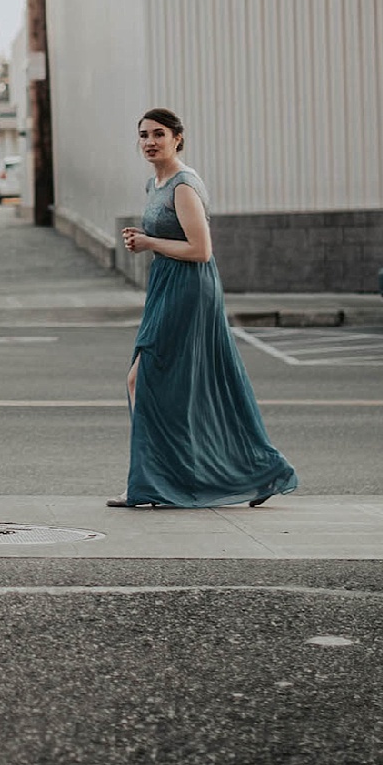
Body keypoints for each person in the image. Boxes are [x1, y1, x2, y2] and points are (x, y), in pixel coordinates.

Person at [113, 108, 299, 509]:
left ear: (177, 138)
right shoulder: (156, 182)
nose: (149, 142)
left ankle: (150, 480)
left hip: (188, 288)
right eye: (143, 135)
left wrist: (148, 243)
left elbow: (201, 250)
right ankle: (246, 472)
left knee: (141, 379)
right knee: (179, 387)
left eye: (158, 134)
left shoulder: (183, 185)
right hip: (167, 284)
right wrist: (147, 241)